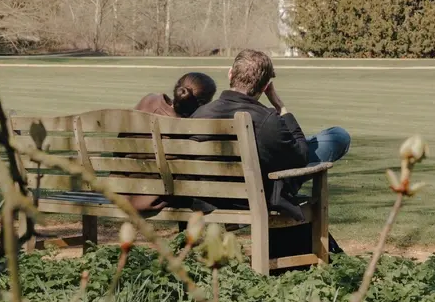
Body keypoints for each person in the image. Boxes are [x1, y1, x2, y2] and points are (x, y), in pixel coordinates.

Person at [191, 49, 351, 222]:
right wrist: (280, 107)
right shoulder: (267, 119)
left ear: (230, 74)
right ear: (266, 86)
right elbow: (302, 157)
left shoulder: (200, 113)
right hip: (257, 194)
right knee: (337, 136)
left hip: (211, 197)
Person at [119, 72, 217, 213]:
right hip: (152, 197)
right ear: (204, 103)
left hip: (122, 191)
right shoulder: (189, 127)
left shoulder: (148, 101)